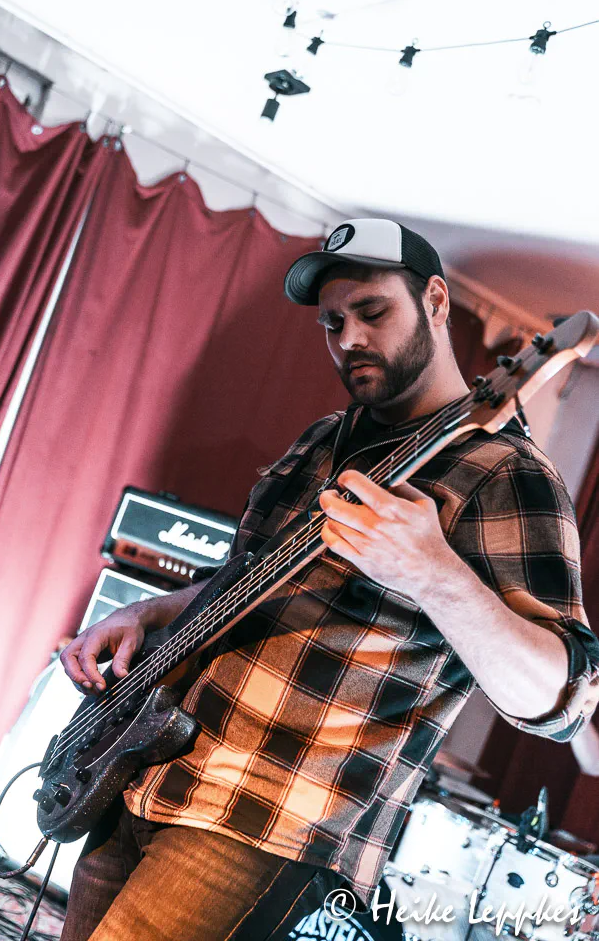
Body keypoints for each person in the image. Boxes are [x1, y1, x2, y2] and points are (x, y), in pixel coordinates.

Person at [58, 218, 599, 941]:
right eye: (333, 323)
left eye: (372, 312)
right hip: (149, 767)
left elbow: (562, 700)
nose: (349, 338)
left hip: (265, 822)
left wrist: (433, 573)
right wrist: (150, 612)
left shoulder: (508, 474)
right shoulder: (322, 439)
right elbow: (243, 580)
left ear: (436, 302)